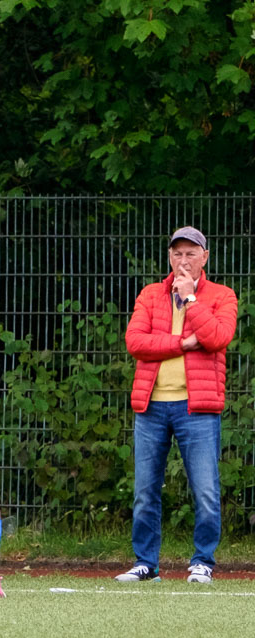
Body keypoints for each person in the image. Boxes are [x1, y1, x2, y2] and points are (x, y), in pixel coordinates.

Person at [115, 226, 237, 584]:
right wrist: (183, 344)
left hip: (198, 408)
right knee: (145, 492)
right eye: (177, 254)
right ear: (169, 257)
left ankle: (202, 562)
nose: (184, 261)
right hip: (151, 406)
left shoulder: (222, 296)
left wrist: (191, 300)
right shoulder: (151, 294)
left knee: (206, 491)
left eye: (191, 254)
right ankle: (146, 564)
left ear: (205, 258)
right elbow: (135, 342)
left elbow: (216, 337)